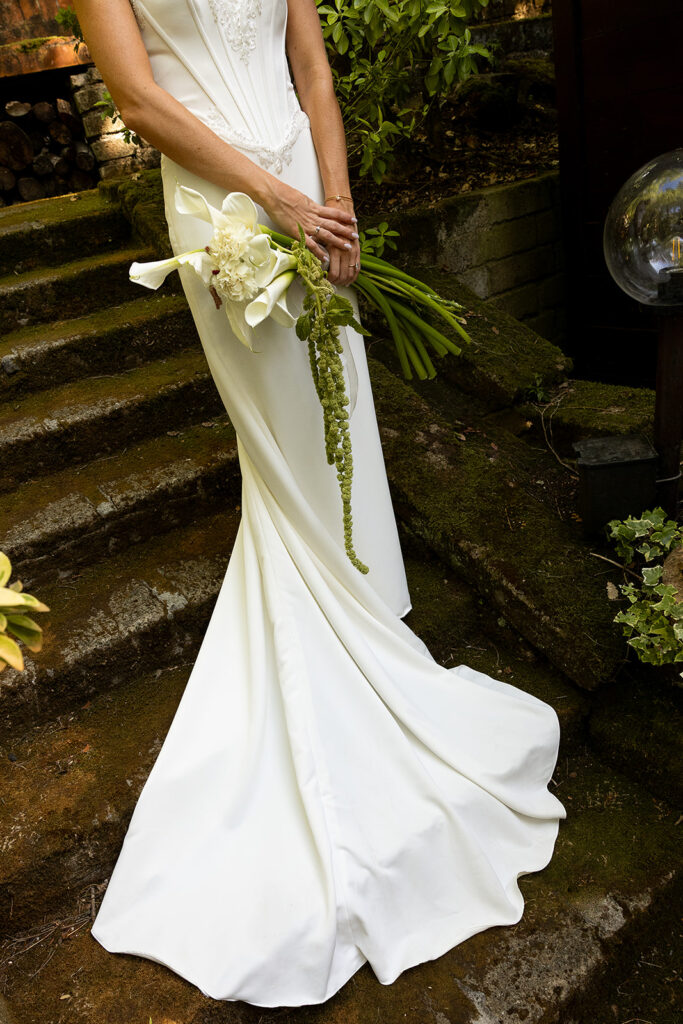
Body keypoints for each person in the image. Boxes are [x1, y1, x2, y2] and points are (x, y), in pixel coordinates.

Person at [76, 0, 566, 1008]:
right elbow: (138, 99)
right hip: (220, 204)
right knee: (284, 442)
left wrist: (333, 199)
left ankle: (364, 627)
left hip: (307, 185)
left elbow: (313, 70)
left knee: (339, 420)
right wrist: (273, 197)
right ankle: (331, 664)